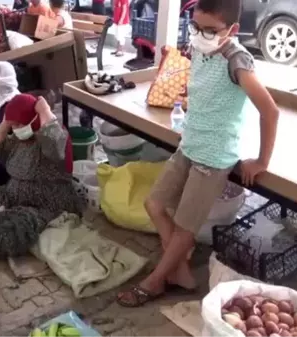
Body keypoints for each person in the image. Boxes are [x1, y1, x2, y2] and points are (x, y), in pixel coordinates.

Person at [116, 0, 279, 307]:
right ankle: (180, 266)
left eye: (210, 30)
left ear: (232, 30)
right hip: (190, 144)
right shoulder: (201, 48)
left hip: (213, 158)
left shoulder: (237, 60)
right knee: (153, 203)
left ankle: (156, 281)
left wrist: (261, 161)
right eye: (195, 26)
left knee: (185, 227)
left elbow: (269, 111)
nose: (200, 34)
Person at [0, 94, 82, 264]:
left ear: (34, 118)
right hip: (13, 195)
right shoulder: (18, 140)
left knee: (21, 222)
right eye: (13, 125)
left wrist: (45, 112)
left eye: (20, 124)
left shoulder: (52, 139)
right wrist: (4, 124)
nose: (16, 128)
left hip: (46, 203)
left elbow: (55, 145)